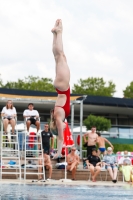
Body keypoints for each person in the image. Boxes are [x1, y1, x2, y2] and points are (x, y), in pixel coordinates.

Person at [50, 19, 70, 158]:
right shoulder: (59, 117)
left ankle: (59, 32)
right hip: (61, 87)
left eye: (62, 129)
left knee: (61, 56)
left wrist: (57, 153)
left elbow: (60, 139)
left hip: (63, 87)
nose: (65, 128)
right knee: (59, 57)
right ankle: (55, 34)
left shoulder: (58, 118)